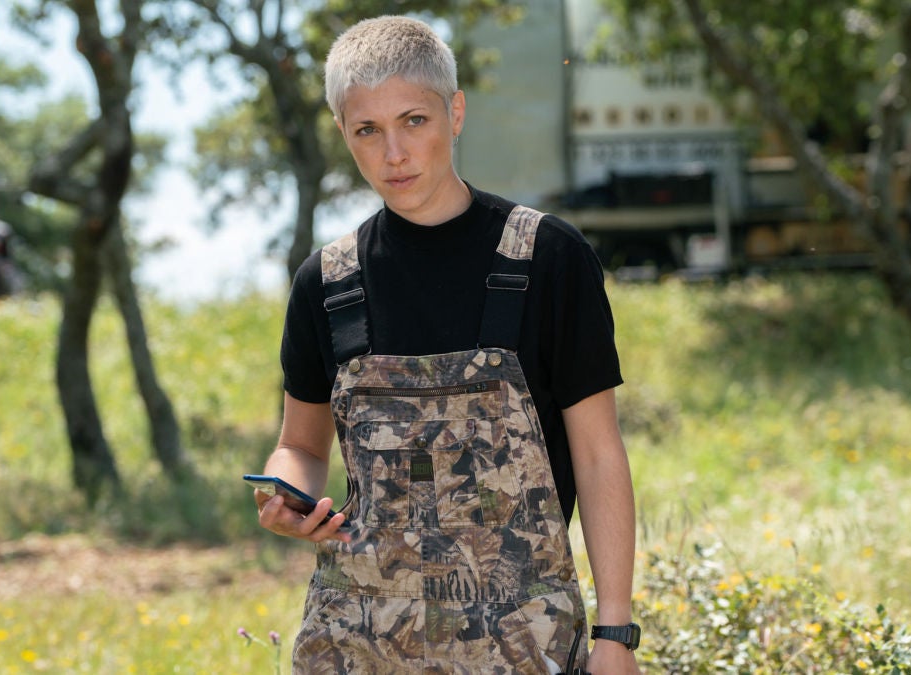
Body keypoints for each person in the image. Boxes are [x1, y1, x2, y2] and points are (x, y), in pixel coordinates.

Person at [254, 15, 641, 674]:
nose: (394, 153)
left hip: (523, 648)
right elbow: (302, 446)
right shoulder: (325, 283)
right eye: (367, 130)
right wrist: (285, 496)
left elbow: (600, 455)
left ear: (455, 113)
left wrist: (615, 633)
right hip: (357, 647)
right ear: (344, 133)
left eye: (414, 121)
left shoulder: (548, 258)